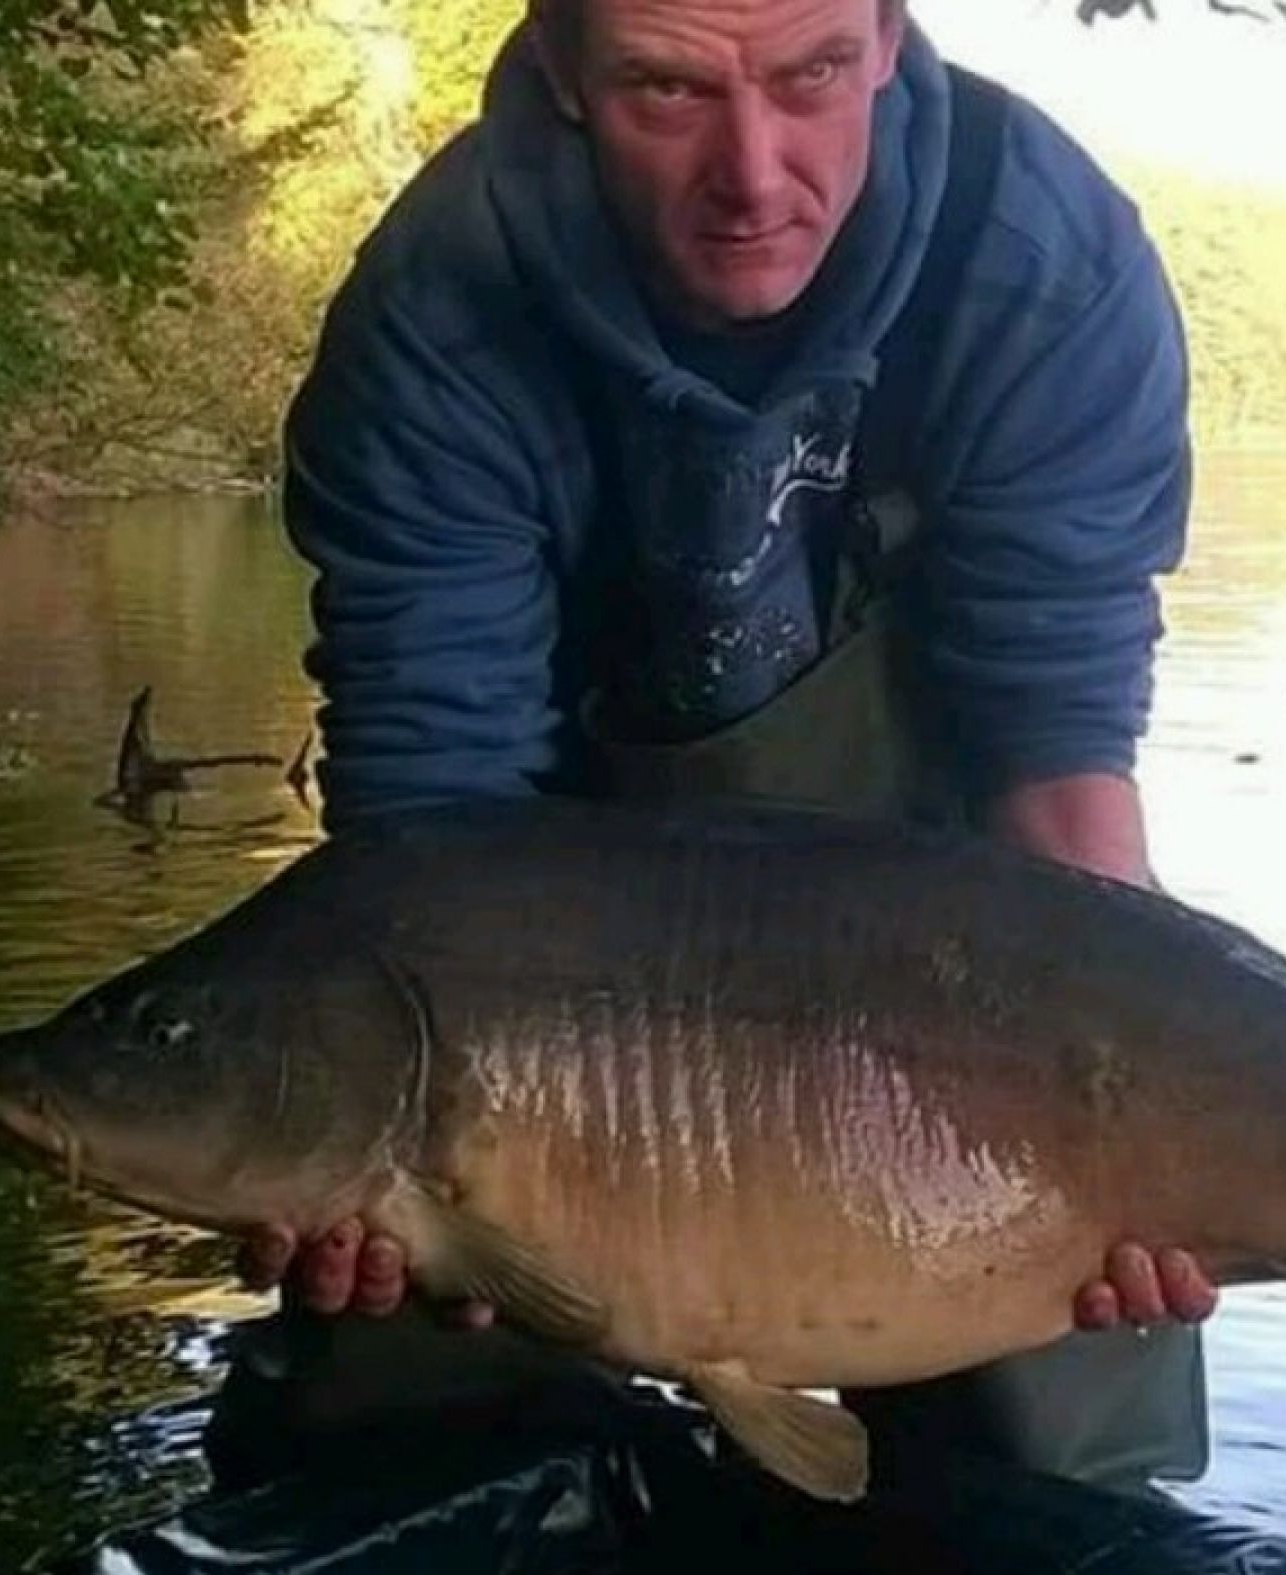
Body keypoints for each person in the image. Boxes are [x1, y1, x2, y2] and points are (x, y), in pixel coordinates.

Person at [233, 0, 1219, 1495]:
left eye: (814, 73)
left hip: (962, 971)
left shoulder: (1039, 261)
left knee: (1062, 1442)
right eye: (664, 88)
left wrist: (1158, 1106)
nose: (754, 173)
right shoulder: (438, 307)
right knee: (395, 1385)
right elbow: (427, 834)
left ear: (888, 39)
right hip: (556, 981)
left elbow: (1058, 747)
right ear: (562, 72)